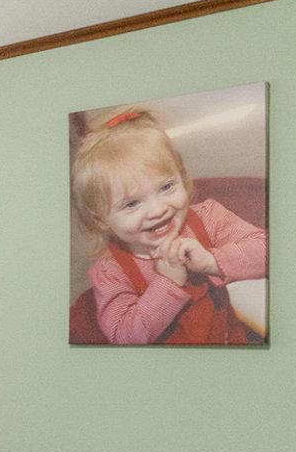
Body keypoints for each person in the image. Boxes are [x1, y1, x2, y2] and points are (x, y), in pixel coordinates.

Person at [72, 109, 266, 345]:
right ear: (101, 219)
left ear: (182, 177)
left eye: (166, 187)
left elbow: (267, 252)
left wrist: (211, 261)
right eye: (132, 204)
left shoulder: (207, 217)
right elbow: (124, 336)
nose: (158, 210)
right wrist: (168, 283)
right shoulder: (110, 271)